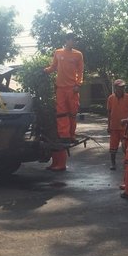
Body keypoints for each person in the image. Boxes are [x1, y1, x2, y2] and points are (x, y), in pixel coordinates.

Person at [43, 32, 84, 171]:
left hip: (72, 88)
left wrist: (78, 84)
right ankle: (64, 136)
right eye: (73, 39)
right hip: (60, 88)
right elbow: (53, 66)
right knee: (61, 113)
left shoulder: (78, 54)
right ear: (67, 40)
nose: (74, 42)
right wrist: (45, 71)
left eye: (75, 40)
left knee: (72, 113)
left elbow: (80, 71)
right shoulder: (58, 52)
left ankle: (71, 135)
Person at [106, 79, 128, 170]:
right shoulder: (111, 98)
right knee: (113, 147)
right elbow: (109, 113)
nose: (122, 89)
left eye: (123, 87)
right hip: (114, 127)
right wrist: (108, 125)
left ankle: (127, 163)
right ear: (115, 88)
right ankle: (113, 164)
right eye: (120, 87)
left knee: (126, 146)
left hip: (125, 127)